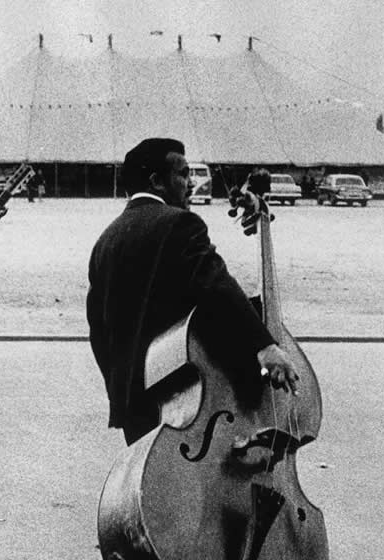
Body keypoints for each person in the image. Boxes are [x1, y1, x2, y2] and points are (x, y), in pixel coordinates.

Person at [86, 138, 299, 445]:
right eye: (183, 174)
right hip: (182, 397)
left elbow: (98, 330)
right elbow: (216, 286)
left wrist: (121, 390)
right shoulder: (181, 224)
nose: (190, 184)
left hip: (133, 403)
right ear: (157, 181)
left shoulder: (105, 240)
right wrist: (265, 345)